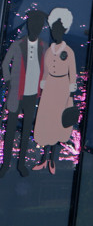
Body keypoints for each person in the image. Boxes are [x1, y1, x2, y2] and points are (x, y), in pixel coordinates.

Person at [0, 10, 48, 178]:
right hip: (17, 93)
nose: (36, 28)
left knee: (26, 131)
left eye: (39, 25)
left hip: (32, 95)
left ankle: (20, 164)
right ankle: (5, 164)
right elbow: (5, 64)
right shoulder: (17, 44)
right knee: (11, 130)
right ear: (29, 25)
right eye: (33, 24)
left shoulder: (43, 46)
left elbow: (46, 69)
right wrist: (9, 81)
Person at [32, 11, 76, 174]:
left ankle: (52, 159)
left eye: (58, 29)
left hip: (62, 87)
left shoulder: (68, 51)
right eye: (53, 29)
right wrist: (43, 85)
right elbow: (45, 70)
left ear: (64, 30)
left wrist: (70, 91)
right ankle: (44, 158)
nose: (55, 32)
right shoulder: (49, 51)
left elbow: (73, 72)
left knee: (58, 122)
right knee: (47, 121)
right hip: (50, 86)